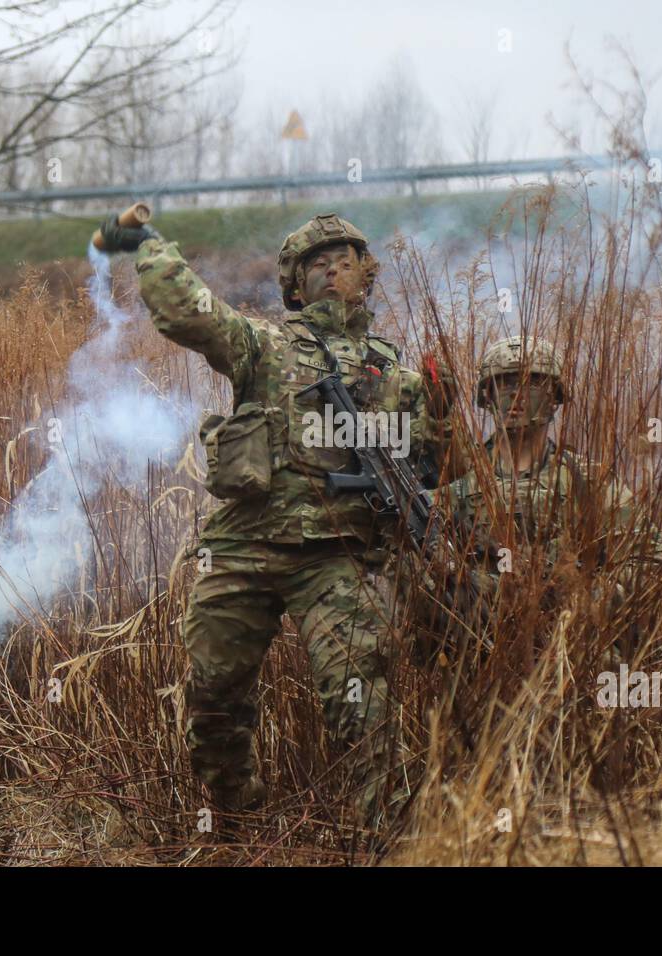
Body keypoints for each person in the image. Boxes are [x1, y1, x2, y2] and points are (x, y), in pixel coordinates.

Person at [96, 210, 452, 827]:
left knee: (360, 703)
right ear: (294, 284)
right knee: (213, 694)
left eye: (346, 259)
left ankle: (393, 838)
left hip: (340, 556)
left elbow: (431, 471)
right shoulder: (264, 343)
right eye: (318, 262)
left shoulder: (399, 374)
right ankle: (237, 816)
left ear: (366, 275)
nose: (334, 269)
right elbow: (191, 312)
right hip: (244, 546)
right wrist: (148, 246)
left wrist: (442, 419)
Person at [413, 335, 662, 671]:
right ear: (486, 397)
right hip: (478, 658)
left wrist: (586, 601)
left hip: (571, 657)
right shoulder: (462, 476)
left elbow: (650, 559)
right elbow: (413, 551)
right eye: (502, 384)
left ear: (554, 398)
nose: (515, 396)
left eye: (531, 383)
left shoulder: (586, 480)